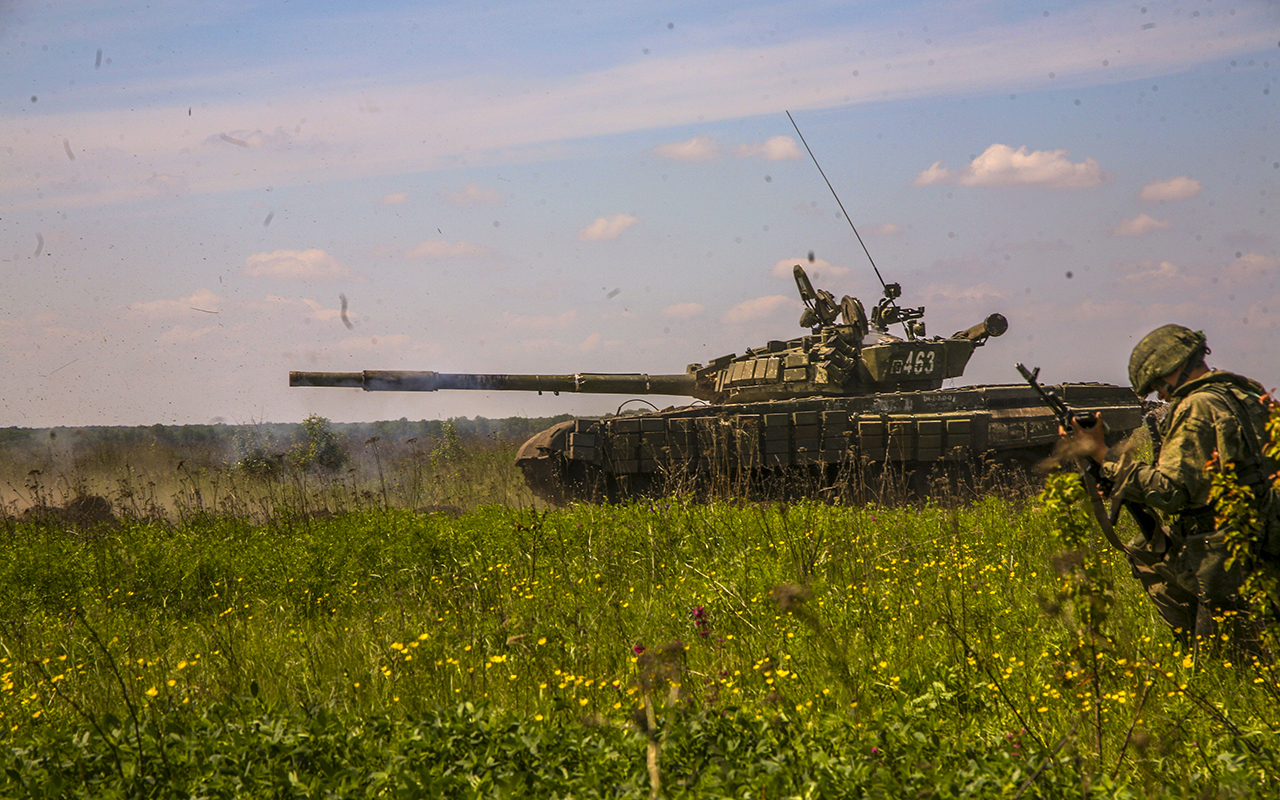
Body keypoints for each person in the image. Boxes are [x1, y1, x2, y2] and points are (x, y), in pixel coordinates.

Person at [1068, 324, 1278, 651]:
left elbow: (1170, 492)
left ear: (1174, 368)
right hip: (1264, 533)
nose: (1160, 395)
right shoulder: (1246, 393)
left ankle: (1204, 658)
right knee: (1146, 548)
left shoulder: (1198, 406)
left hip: (1225, 549)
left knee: (1233, 663)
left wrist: (1099, 452)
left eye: (1157, 385)